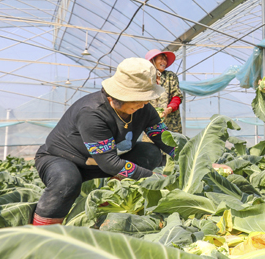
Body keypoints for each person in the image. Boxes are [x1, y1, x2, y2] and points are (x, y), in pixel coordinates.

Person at [32, 58, 176, 225]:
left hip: (99, 162)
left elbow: (164, 138)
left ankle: (110, 203)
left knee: (150, 154)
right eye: (139, 99)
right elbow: (110, 164)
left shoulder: (144, 109)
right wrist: (155, 178)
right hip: (61, 158)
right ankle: (43, 231)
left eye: (146, 98)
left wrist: (195, 156)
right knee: (67, 182)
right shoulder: (92, 113)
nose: (144, 103)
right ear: (115, 98)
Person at [145, 48, 184, 133]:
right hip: (151, 125)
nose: (164, 62)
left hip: (171, 125)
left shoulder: (170, 76)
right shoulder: (146, 79)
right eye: (161, 59)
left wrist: (169, 109)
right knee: (151, 145)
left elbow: (177, 97)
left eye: (165, 59)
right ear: (152, 61)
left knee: (171, 143)